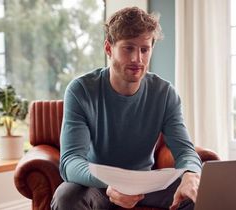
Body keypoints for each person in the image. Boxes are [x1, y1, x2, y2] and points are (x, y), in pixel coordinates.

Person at [51, 6, 202, 210]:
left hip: (146, 185)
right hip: (100, 187)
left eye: (144, 49)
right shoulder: (81, 90)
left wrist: (191, 174)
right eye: (128, 48)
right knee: (66, 196)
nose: (137, 59)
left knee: (195, 193)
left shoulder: (165, 93)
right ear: (108, 48)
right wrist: (110, 183)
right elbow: (70, 162)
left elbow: (185, 150)